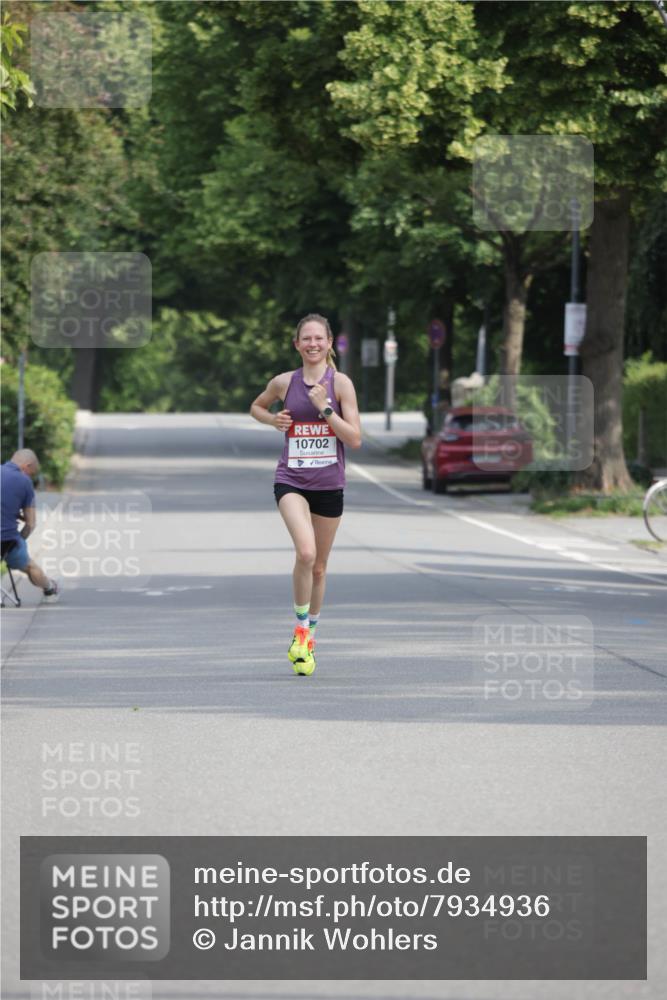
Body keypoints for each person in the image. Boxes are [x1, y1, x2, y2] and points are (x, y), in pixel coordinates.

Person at [250, 314, 362, 675]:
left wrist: (325, 407)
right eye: (306, 339)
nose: (313, 344)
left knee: (319, 567)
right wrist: (272, 420)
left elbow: (355, 439)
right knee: (306, 551)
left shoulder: (341, 384)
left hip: (330, 484)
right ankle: (299, 631)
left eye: (319, 339)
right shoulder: (284, 382)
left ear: (329, 343)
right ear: (296, 344)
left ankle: (310, 635)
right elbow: (257, 406)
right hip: (292, 480)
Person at [1, 449, 59, 599]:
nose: (30, 477)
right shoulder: (24, 481)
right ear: (27, 466)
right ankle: (49, 589)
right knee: (30, 566)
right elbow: (31, 524)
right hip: (5, 542)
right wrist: (19, 541)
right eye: (31, 473)